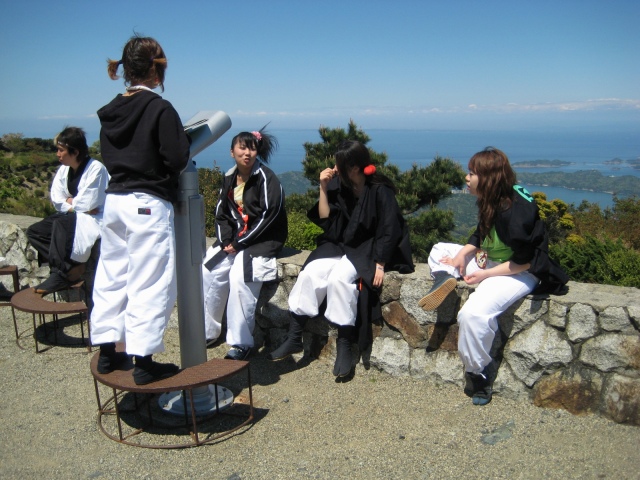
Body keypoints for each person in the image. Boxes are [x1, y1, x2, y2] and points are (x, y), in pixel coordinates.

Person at [418, 147, 569, 405]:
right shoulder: (494, 198)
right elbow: (480, 232)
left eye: (472, 173)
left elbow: (526, 261)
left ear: (488, 178)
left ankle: (477, 373)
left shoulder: (516, 215)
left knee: (472, 314)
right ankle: (445, 276)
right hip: (490, 261)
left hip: (517, 272)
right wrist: (461, 256)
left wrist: (485, 274)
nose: (466, 178)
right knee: (440, 250)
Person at [89, 35, 190, 385]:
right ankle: (144, 361)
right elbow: (177, 158)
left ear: (126, 69)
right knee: (149, 281)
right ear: (157, 68)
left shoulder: (111, 110)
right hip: (146, 204)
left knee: (112, 275)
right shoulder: (159, 108)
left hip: (114, 202)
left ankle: (108, 351)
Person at [269, 140, 414, 377]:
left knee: (339, 279)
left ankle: (344, 343)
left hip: (368, 248)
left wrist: (380, 263)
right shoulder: (341, 184)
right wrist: (323, 187)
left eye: (339, 164)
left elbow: (390, 228)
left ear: (354, 168)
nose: (334, 168)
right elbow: (326, 219)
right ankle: (294, 336)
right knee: (310, 273)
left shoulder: (380, 190)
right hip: (341, 243)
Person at [202, 127, 287, 360]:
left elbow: (269, 216)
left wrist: (240, 243)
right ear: (232, 152)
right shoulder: (230, 177)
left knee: (240, 276)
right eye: (242, 148)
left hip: (263, 238)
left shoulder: (267, 178)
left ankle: (241, 342)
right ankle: (208, 332)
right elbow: (221, 213)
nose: (247, 153)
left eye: (251, 148)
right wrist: (225, 240)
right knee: (209, 270)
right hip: (237, 237)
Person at [27, 127, 109, 294]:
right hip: (76, 215)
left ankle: (61, 274)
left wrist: (71, 201)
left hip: (94, 218)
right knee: (35, 232)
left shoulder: (96, 169)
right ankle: (72, 267)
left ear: (75, 152)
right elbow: (57, 199)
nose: (57, 154)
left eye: (61, 150)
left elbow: (89, 203)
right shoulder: (65, 169)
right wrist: (73, 204)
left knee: (61, 224)